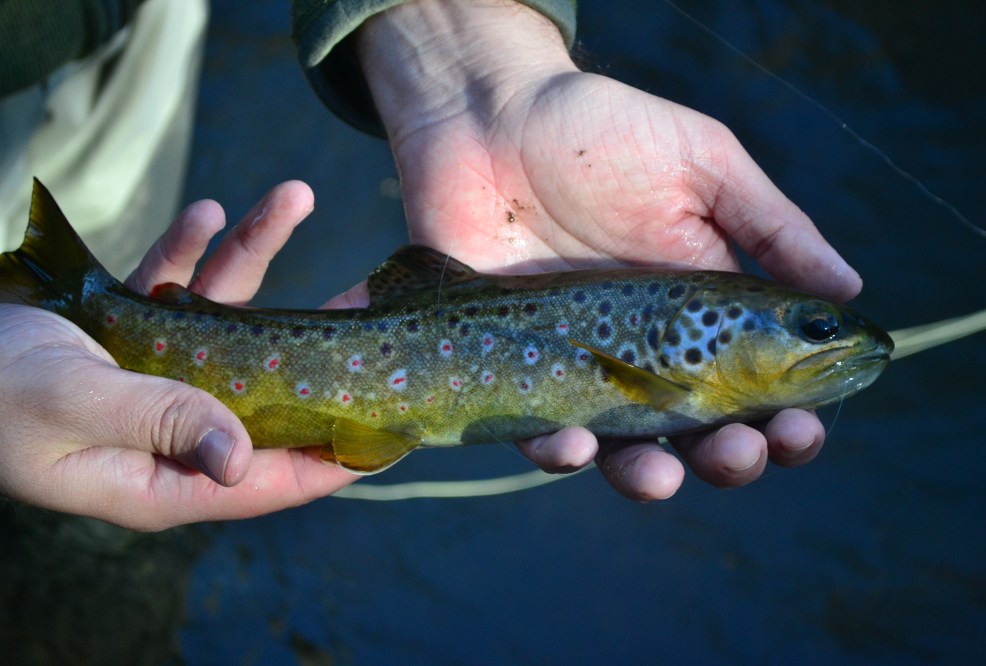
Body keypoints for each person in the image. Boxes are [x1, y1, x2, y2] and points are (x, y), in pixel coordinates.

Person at [0, 0, 861, 531]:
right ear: (692, 337)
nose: (834, 340)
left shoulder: (679, 358)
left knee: (97, 350)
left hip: (105, 16)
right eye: (813, 328)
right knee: (72, 380)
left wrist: (479, 65)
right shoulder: (669, 363)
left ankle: (75, 395)